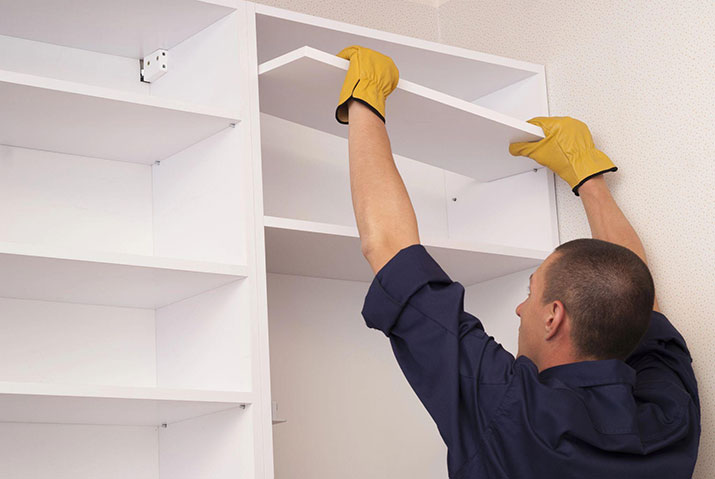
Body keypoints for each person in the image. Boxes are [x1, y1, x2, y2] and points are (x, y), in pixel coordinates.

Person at [335, 45, 700, 478]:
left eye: (531, 292)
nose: (520, 307)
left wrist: (366, 98)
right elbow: (636, 297)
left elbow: (390, 250)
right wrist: (588, 178)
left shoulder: (511, 409)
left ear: (553, 318)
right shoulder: (671, 416)